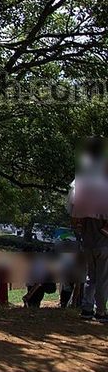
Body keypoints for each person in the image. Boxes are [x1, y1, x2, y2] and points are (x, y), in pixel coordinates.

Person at [70, 137, 108, 322]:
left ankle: (86, 310)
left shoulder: (83, 186)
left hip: (88, 241)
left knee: (90, 278)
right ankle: (101, 312)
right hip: (103, 242)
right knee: (102, 279)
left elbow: (74, 215)